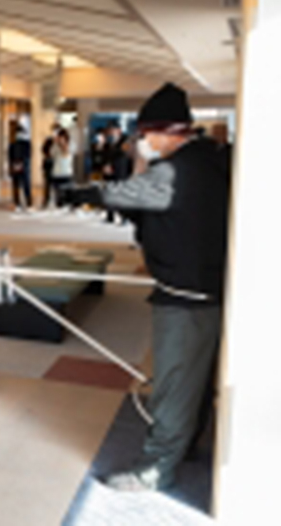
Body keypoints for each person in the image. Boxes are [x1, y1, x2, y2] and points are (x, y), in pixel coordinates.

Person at [63, 83, 230, 492]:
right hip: (207, 290)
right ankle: (184, 445)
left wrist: (76, 192)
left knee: (173, 383)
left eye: (146, 134)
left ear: (167, 130)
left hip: (186, 298)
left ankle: (154, 470)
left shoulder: (175, 171)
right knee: (193, 380)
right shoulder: (209, 159)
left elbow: (121, 195)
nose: (143, 141)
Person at [8, 126, 32, 212]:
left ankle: (28, 204)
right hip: (17, 167)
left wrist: (22, 163)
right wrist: (11, 168)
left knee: (25, 185)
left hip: (23, 166)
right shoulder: (13, 144)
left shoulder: (26, 144)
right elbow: (10, 157)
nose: (18, 135)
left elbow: (28, 155)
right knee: (17, 186)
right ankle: (18, 203)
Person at [50, 128, 74, 207]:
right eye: (60, 137)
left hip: (67, 173)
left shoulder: (70, 145)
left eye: (62, 137)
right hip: (57, 173)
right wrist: (55, 143)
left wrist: (64, 145)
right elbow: (51, 154)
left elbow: (67, 154)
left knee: (68, 196)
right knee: (58, 198)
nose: (61, 139)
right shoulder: (55, 146)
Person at [41, 125, 59, 208]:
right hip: (48, 164)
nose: (55, 132)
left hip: (57, 165)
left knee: (56, 185)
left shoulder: (60, 140)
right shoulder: (48, 140)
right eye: (54, 130)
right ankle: (46, 201)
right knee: (47, 184)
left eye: (56, 130)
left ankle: (58, 201)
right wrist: (49, 154)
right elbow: (43, 150)